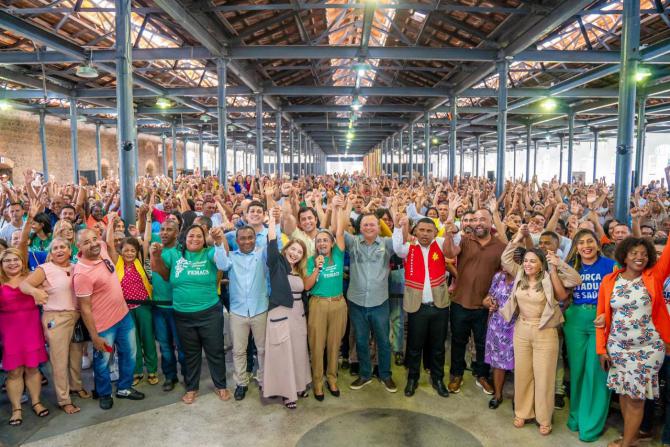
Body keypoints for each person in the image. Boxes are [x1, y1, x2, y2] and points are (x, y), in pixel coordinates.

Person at [500, 228, 581, 436]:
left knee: (544, 376)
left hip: (545, 331)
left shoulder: (548, 277)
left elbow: (575, 280)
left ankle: (544, 417)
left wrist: (557, 264)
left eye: (533, 261)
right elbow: (506, 259)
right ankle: (523, 411)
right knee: (523, 374)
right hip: (521, 329)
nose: (527, 264)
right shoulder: (519, 274)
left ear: (541, 264)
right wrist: (517, 239)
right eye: (526, 260)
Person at [596, 236, 670, 447]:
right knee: (624, 393)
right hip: (617, 348)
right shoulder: (610, 281)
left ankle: (627, 443)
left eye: (644, 254)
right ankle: (630, 435)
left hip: (646, 350)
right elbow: (601, 318)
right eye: (634, 253)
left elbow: (668, 255)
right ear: (624, 256)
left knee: (636, 398)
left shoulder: (653, 276)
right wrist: (602, 349)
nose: (640, 258)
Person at [151, 225, 231, 404]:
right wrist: (155, 254)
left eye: (199, 236)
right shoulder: (174, 255)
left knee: (215, 351)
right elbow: (161, 272)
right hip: (182, 314)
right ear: (184, 239)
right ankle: (192, 388)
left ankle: (220, 385)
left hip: (209, 312)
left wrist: (219, 241)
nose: (195, 239)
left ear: (204, 240)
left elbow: (224, 262)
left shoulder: (210, 253)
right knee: (190, 353)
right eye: (191, 236)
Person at [72, 229, 145, 410]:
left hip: (124, 316)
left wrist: (110, 225)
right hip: (104, 326)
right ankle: (104, 393)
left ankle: (124, 388)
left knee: (130, 354)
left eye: (94, 239)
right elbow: (85, 309)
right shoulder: (81, 274)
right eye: (87, 242)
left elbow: (108, 247)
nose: (94, 244)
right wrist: (95, 336)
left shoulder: (102, 248)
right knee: (103, 362)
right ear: (78, 247)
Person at [20, 238, 90, 415]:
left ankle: (76, 386)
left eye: (63, 247)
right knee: (59, 360)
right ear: (50, 253)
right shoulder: (45, 269)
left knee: (76, 355)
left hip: (77, 316)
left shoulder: (76, 267)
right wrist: (35, 291)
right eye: (55, 248)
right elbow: (24, 284)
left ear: (69, 250)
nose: (59, 250)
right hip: (56, 318)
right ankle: (64, 399)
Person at [443, 208, 506, 395]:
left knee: (482, 343)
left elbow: (504, 274)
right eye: (476, 219)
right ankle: (456, 374)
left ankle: (482, 375)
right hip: (460, 302)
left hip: (485, 306)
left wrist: (494, 297)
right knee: (458, 341)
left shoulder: (500, 246)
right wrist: (449, 233)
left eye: (483, 220)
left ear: (490, 223)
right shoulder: (464, 240)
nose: (478, 223)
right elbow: (449, 252)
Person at [563, 229, 615, 442]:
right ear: (576, 246)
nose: (586, 245)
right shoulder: (571, 266)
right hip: (574, 319)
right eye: (581, 242)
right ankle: (576, 415)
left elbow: (620, 295)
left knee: (596, 372)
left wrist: (607, 314)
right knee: (577, 371)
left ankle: (591, 422)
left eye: (590, 241)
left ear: (597, 244)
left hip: (599, 321)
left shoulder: (610, 266)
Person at [392, 216, 451, 398]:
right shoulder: (408, 247)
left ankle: (438, 378)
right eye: (422, 230)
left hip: (439, 305)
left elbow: (453, 246)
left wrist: (451, 229)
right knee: (414, 346)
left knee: (438, 346)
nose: (425, 234)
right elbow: (397, 248)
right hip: (417, 306)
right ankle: (412, 378)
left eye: (429, 231)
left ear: (435, 232)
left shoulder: (440, 244)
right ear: (415, 231)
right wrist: (396, 227)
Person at [344, 204, 397, 393]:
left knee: (383, 340)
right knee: (360, 339)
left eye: (372, 224)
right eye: (365, 224)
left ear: (379, 226)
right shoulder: (352, 242)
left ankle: (385, 374)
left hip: (379, 301)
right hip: (356, 301)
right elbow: (337, 231)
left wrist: (395, 214)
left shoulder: (387, 244)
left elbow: (400, 240)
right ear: (359, 227)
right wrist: (341, 208)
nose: (368, 228)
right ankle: (365, 374)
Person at [263, 208, 311, 409]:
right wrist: (272, 222)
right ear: (286, 249)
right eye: (292, 249)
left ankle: (299, 385)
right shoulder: (277, 264)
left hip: (298, 316)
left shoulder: (299, 271)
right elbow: (272, 244)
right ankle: (287, 393)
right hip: (280, 313)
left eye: (299, 252)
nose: (295, 254)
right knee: (283, 354)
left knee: (299, 352)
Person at [215, 223, 269, 401]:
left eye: (250, 237)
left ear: (255, 238)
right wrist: (217, 244)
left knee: (262, 349)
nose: (246, 241)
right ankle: (241, 383)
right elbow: (221, 264)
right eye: (242, 238)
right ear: (237, 240)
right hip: (238, 312)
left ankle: (264, 380)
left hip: (260, 309)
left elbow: (276, 247)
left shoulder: (263, 254)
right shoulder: (230, 256)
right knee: (238, 351)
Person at [106, 212, 158, 387]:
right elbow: (109, 244)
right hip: (126, 309)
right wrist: (111, 223)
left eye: (133, 250)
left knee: (148, 339)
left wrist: (147, 219)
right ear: (121, 251)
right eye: (126, 250)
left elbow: (147, 239)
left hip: (144, 306)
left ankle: (151, 369)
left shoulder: (140, 260)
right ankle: (136, 371)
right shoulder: (117, 262)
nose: (129, 253)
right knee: (132, 342)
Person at [304, 195, 347, 400]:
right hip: (318, 305)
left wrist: (337, 208)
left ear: (331, 243)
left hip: (338, 304)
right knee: (317, 344)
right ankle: (318, 382)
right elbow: (307, 286)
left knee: (333, 344)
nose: (322, 242)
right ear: (316, 244)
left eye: (325, 240)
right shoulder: (312, 261)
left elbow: (339, 230)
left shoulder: (338, 254)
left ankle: (332, 378)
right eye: (319, 240)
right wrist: (317, 269)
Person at [0, 248, 49, 426]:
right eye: (7, 261)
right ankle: (16, 409)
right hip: (10, 332)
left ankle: (36, 401)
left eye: (16, 259)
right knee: (14, 372)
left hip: (32, 329)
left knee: (33, 368)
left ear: (22, 262)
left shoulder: (32, 279)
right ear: (1, 264)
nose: (12, 263)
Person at [151, 219, 186, 391]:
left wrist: (156, 257)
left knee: (181, 346)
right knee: (164, 345)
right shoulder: (156, 248)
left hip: (176, 306)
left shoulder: (180, 252)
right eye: (162, 229)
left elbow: (166, 276)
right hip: (158, 306)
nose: (164, 232)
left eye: (169, 230)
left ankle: (187, 375)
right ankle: (169, 376)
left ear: (177, 233)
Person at [482, 269, 516, 409]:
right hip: (497, 326)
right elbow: (487, 298)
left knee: (520, 366)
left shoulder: (523, 280)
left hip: (516, 327)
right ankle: (498, 395)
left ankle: (518, 398)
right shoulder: (498, 277)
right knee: (497, 363)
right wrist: (488, 303)